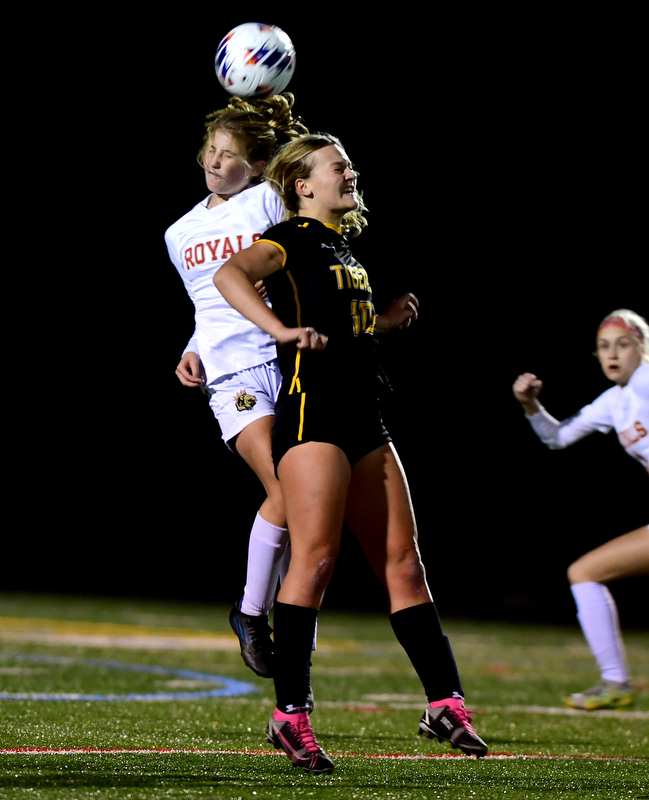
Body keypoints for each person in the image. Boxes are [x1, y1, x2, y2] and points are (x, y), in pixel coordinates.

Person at [213, 133, 488, 773]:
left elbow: (341, 322)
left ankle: (446, 704)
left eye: (351, 166)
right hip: (315, 413)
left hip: (367, 414)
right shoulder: (295, 237)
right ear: (303, 186)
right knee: (315, 560)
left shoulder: (342, 249)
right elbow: (230, 274)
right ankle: (290, 716)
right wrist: (280, 330)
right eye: (338, 167)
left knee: (403, 562)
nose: (350, 173)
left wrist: (383, 324)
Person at [165, 94, 310, 679]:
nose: (216, 162)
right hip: (232, 371)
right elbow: (208, 301)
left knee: (308, 502)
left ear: (256, 165)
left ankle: (274, 615)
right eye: (211, 151)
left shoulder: (268, 200)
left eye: (231, 155)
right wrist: (193, 347)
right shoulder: (180, 232)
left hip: (290, 359)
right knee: (284, 487)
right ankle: (252, 615)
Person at [512, 308, 649, 710]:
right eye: (604, 346)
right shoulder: (614, 400)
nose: (613, 353)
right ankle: (615, 682)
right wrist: (530, 404)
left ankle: (616, 681)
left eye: (623, 344)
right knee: (585, 572)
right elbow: (557, 438)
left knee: (585, 571)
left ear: (642, 348)